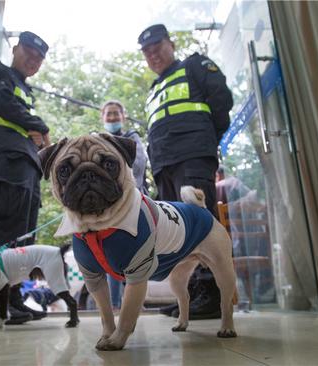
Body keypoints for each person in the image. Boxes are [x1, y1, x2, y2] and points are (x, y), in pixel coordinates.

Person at [138, 24, 234, 319]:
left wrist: (204, 139)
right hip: (165, 164)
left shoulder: (194, 65)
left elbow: (221, 101)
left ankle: (214, 293)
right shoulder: (154, 90)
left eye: (158, 48)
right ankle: (192, 295)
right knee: (177, 230)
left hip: (193, 155)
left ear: (171, 44)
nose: (154, 55)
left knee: (202, 222)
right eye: (148, 52)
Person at [0, 31, 51, 325]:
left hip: (27, 165)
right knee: (6, 228)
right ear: (15, 48)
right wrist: (40, 126)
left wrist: (36, 135)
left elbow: (22, 119)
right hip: (8, 159)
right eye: (29, 53)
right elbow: (4, 104)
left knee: (24, 237)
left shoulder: (27, 90)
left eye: (38, 59)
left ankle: (14, 299)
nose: (33, 61)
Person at [100, 100, 149, 309]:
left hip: (133, 204)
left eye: (115, 114)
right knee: (112, 255)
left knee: (136, 253)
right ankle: (114, 305)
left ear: (123, 116)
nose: (112, 118)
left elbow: (138, 164)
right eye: (108, 114)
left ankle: (135, 304)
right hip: (107, 208)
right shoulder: (98, 140)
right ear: (102, 118)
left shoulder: (132, 138)